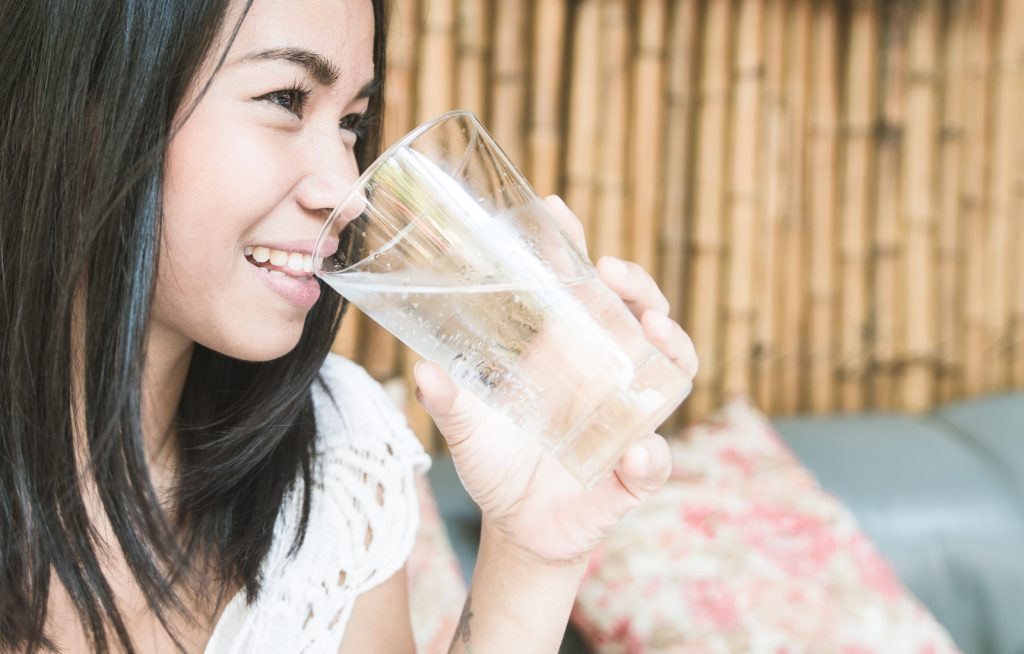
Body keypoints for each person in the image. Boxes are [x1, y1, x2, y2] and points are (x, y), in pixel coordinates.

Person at [0, 0, 699, 652]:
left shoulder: (340, 460)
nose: (346, 187)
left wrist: (529, 558)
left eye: (352, 124)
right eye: (285, 99)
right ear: (85, 111)